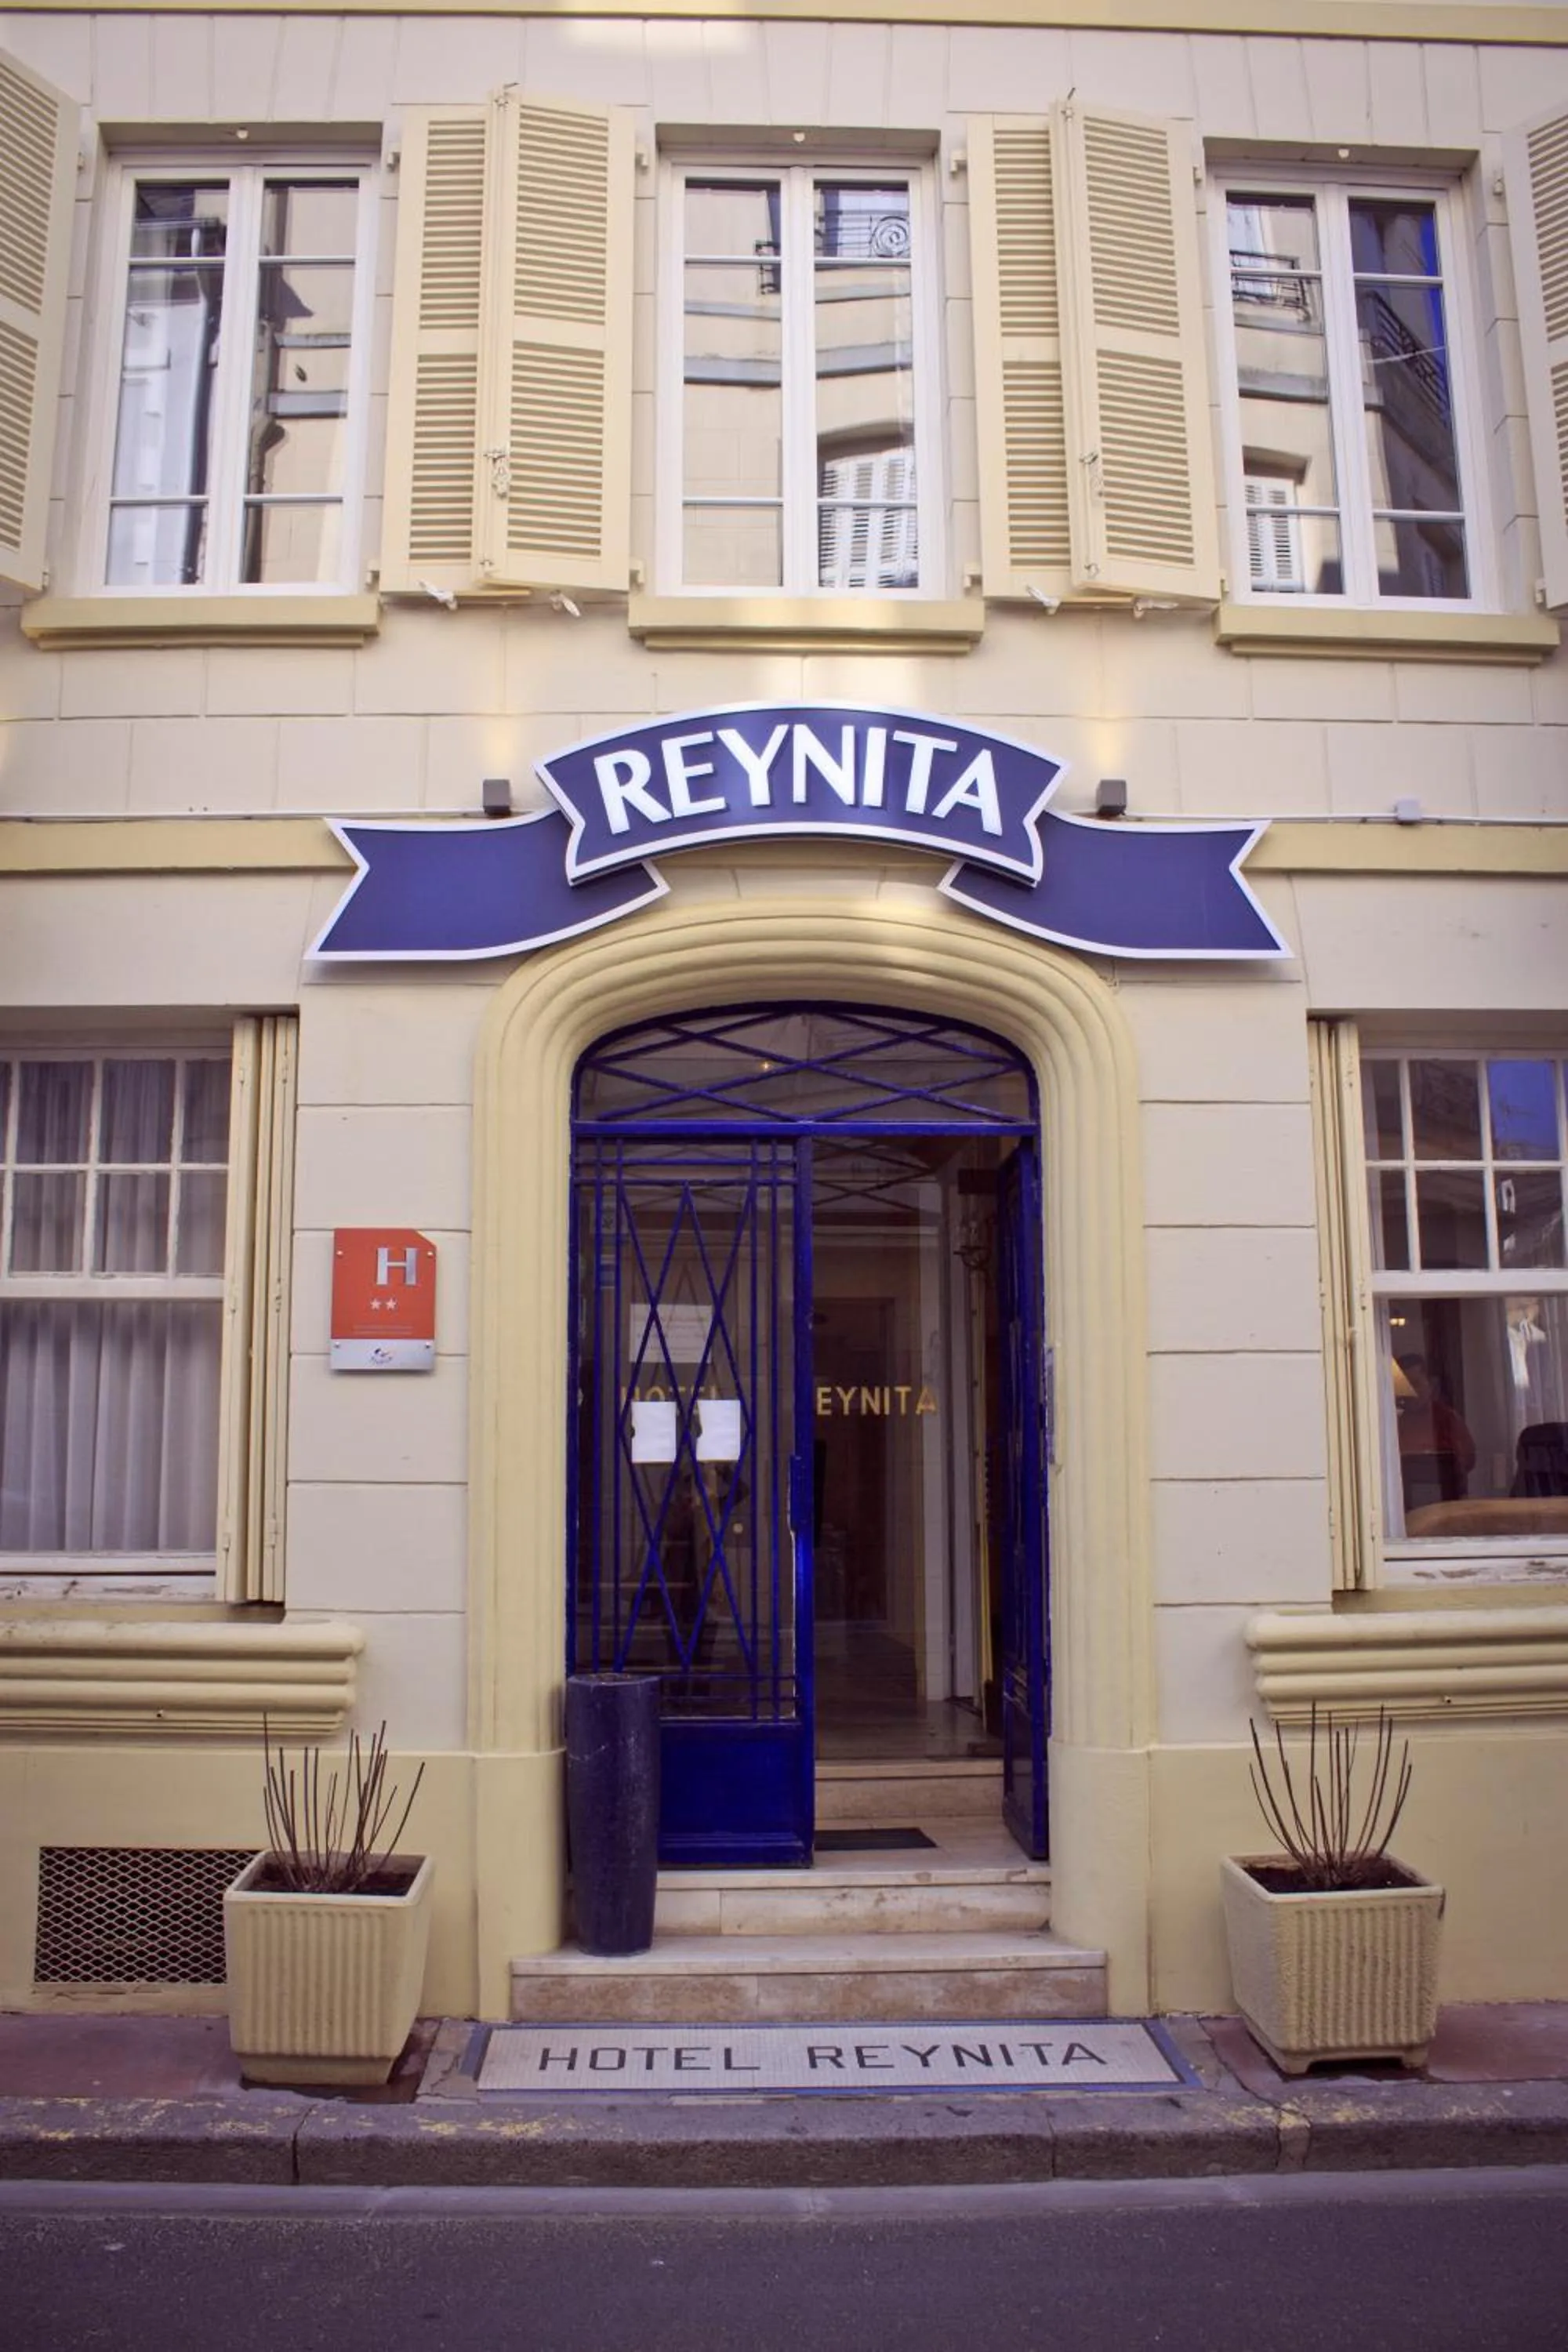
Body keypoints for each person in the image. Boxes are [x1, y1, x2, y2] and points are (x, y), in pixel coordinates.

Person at [1396, 1353, 1476, 1512]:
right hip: (1404, 1507)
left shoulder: (1447, 1419)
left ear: (1431, 1384)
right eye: (1405, 1387)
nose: (1411, 1393)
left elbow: (1468, 1460)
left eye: (1416, 1384)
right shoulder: (1393, 1424)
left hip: (1446, 1506)